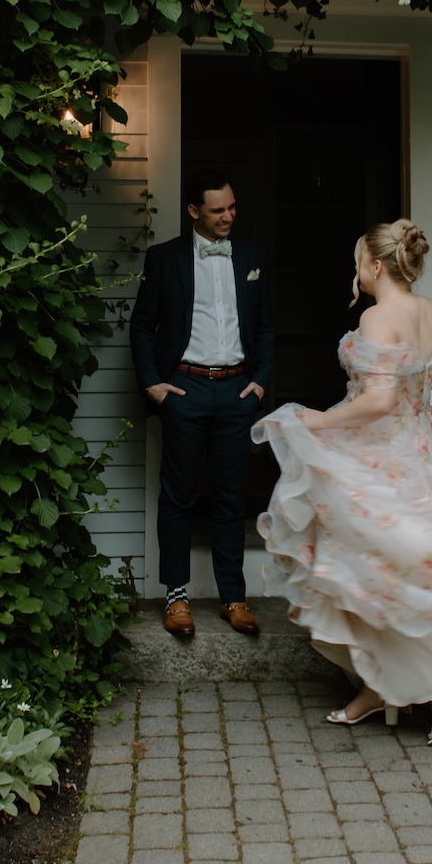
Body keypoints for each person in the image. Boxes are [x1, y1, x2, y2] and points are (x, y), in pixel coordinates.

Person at [253, 218, 432, 741]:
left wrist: (318, 421)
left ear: (373, 265)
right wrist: (430, 421)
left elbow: (379, 400)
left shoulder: (376, 318)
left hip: (380, 458)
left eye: (356, 263)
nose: (355, 272)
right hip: (421, 453)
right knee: (395, 575)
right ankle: (384, 689)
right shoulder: (431, 312)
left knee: (378, 573)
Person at [130, 168, 275, 637]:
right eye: (218, 210)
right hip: (185, 390)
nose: (228, 216)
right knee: (178, 495)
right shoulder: (164, 258)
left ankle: (233, 596)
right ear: (194, 211)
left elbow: (267, 326)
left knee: (231, 498)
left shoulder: (253, 257)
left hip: (236, 391)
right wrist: (153, 384)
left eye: (232, 207)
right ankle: (176, 597)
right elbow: (142, 325)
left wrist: (261, 382)